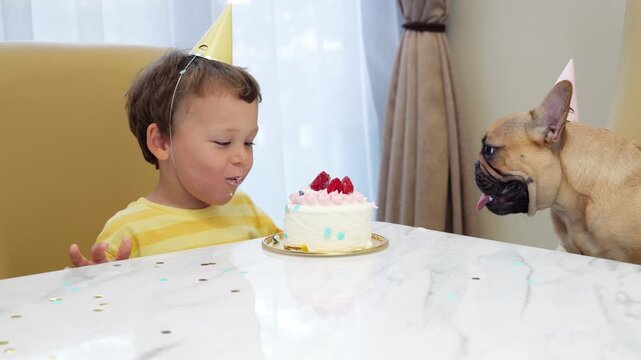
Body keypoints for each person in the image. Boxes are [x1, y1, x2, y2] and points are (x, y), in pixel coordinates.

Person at [68, 49, 279, 266]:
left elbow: (287, 261)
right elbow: (104, 295)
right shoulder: (129, 233)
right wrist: (98, 284)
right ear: (160, 142)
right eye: (223, 142)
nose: (241, 157)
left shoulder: (246, 211)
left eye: (248, 143)